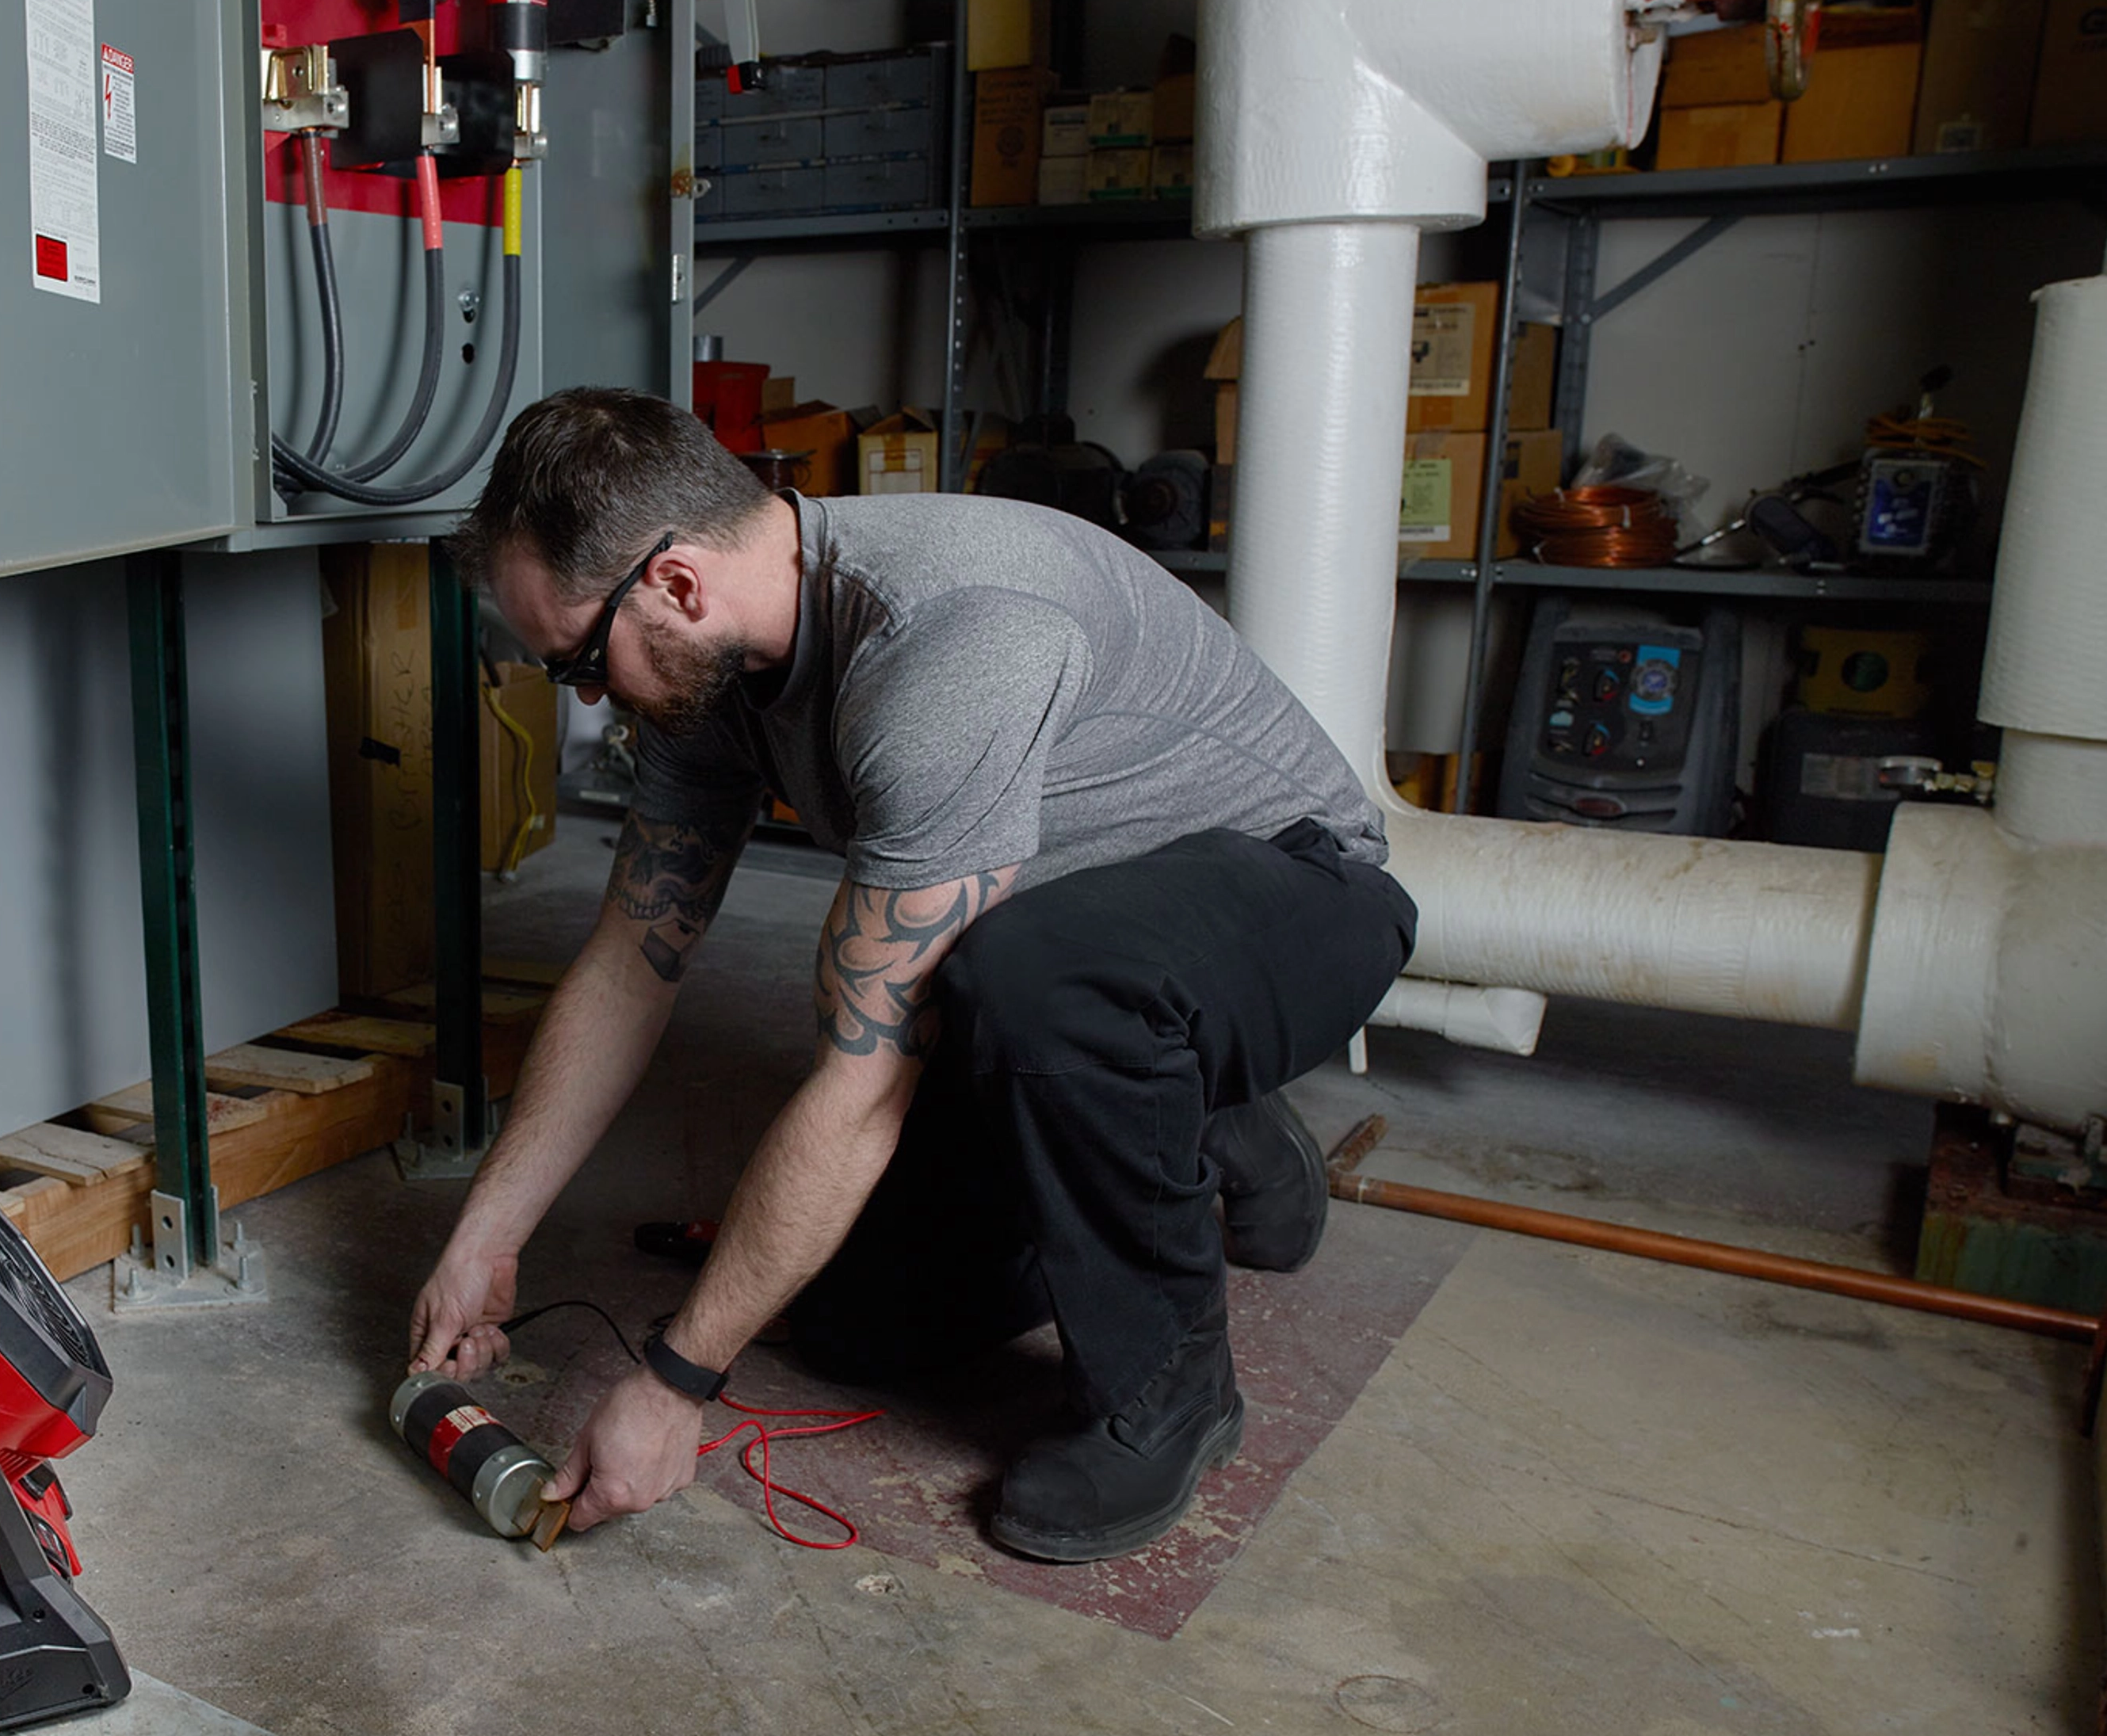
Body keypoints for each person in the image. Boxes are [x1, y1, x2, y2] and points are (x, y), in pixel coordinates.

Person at [407, 389, 1416, 1561]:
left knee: (1037, 980)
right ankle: (1200, 1124)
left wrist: (679, 1380)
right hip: (1069, 935)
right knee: (853, 1321)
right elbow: (636, 953)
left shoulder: (947, 642)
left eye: (582, 662)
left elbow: (867, 1070)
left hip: (1299, 897)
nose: (588, 695)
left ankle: (1172, 1394)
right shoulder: (708, 671)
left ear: (677, 586)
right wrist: (489, 1229)